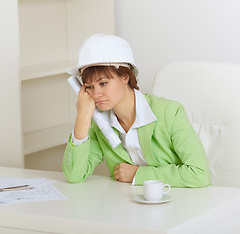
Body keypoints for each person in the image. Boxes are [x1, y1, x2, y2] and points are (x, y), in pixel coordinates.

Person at [62, 34, 211, 187]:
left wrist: (137, 174)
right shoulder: (100, 124)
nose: (96, 94)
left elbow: (200, 174)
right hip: (129, 206)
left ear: (125, 77)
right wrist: (82, 118)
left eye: (103, 83)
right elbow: (74, 176)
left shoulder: (170, 113)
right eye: (89, 87)